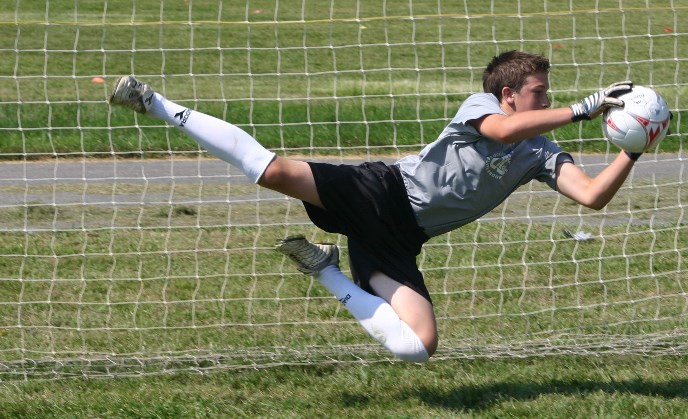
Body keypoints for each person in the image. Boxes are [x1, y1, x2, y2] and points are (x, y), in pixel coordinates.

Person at [109, 50, 641, 363]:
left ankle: (329, 274)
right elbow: (502, 131)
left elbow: (592, 196)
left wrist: (632, 150)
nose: (547, 101)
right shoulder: (484, 109)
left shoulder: (542, 151)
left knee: (418, 345)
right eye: (539, 94)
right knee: (272, 172)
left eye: (549, 95)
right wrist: (581, 110)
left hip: (402, 238)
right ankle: (156, 103)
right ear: (507, 94)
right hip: (382, 189)